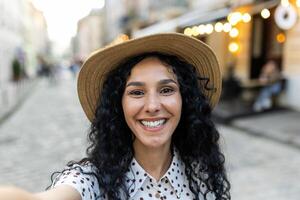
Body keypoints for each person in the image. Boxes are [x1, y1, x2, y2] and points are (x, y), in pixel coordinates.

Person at [0, 33, 230, 200]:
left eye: (167, 90)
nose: (152, 106)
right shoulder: (93, 180)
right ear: (118, 105)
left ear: (185, 100)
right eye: (137, 92)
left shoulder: (200, 173)